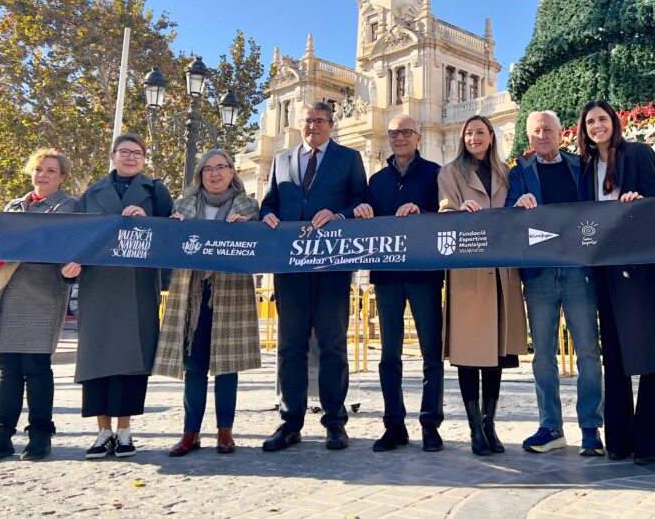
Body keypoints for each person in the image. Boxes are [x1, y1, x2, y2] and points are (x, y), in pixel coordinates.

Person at [259, 101, 368, 452]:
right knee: (290, 345)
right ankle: (290, 422)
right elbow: (269, 203)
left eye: (319, 121)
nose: (312, 126)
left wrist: (339, 214)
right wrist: (268, 216)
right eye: (307, 121)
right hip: (290, 269)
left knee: (332, 343)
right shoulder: (281, 159)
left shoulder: (349, 159)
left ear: (330, 125)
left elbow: (361, 202)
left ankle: (335, 422)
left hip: (332, 267)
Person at [61, 133, 173, 459]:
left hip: (139, 286)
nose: (130, 157)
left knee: (132, 361)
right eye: (125, 152)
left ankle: (124, 431)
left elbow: (171, 233)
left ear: (143, 158)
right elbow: (78, 237)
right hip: (99, 286)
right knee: (97, 359)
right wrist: (72, 266)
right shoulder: (92, 193)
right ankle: (102, 432)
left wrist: (148, 222)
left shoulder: (156, 191)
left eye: (137, 153)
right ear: (112, 155)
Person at [577, 100, 655, 465]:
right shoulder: (587, 167)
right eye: (590, 122)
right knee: (614, 354)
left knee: (648, 351)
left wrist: (639, 201)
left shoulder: (637, 154)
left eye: (602, 119)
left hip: (639, 268)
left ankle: (650, 443)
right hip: (604, 268)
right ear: (584, 129)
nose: (597, 126)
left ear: (614, 123)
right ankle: (619, 440)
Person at [0, 148, 76, 462]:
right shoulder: (13, 206)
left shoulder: (70, 208)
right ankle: (0, 436)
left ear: (62, 177)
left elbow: (64, 246)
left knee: (37, 368)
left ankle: (40, 435)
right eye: (39, 169)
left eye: (51, 171)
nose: (43, 175)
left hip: (42, 294)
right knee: (7, 368)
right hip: (5, 293)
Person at [506, 110, 603, 456]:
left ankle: (591, 428)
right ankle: (551, 427)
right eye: (536, 131)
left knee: (589, 352)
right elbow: (506, 210)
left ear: (561, 134)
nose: (542, 135)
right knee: (542, 355)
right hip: (540, 273)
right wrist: (518, 204)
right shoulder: (519, 173)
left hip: (578, 271)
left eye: (548, 129)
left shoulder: (582, 167)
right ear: (528, 136)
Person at [153, 149, 261, 457]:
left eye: (221, 168)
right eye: (208, 169)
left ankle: (225, 432)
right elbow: (169, 246)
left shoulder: (249, 206)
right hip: (192, 293)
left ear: (232, 172)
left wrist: (249, 228)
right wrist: (172, 228)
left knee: (228, 366)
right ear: (200, 175)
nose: (215, 174)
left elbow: (261, 246)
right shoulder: (183, 205)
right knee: (194, 365)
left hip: (231, 293)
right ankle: (191, 432)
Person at [353, 115, 444, 453]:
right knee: (388, 354)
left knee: (431, 353)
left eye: (406, 132)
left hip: (424, 274)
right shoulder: (376, 181)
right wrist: (361, 209)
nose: (400, 138)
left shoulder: (436, 174)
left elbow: (446, 216)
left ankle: (430, 425)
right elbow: (364, 216)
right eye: (394, 133)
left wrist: (423, 212)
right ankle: (394, 425)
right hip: (387, 277)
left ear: (418, 137)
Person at [438, 115, 528, 457]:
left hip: (502, 271)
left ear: (491, 137)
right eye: (468, 132)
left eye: (480, 132)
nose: (474, 137)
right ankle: (475, 428)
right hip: (469, 271)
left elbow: (517, 208)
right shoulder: (450, 172)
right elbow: (442, 212)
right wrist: (459, 209)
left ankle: (490, 425)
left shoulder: (507, 171)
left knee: (495, 354)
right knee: (468, 354)